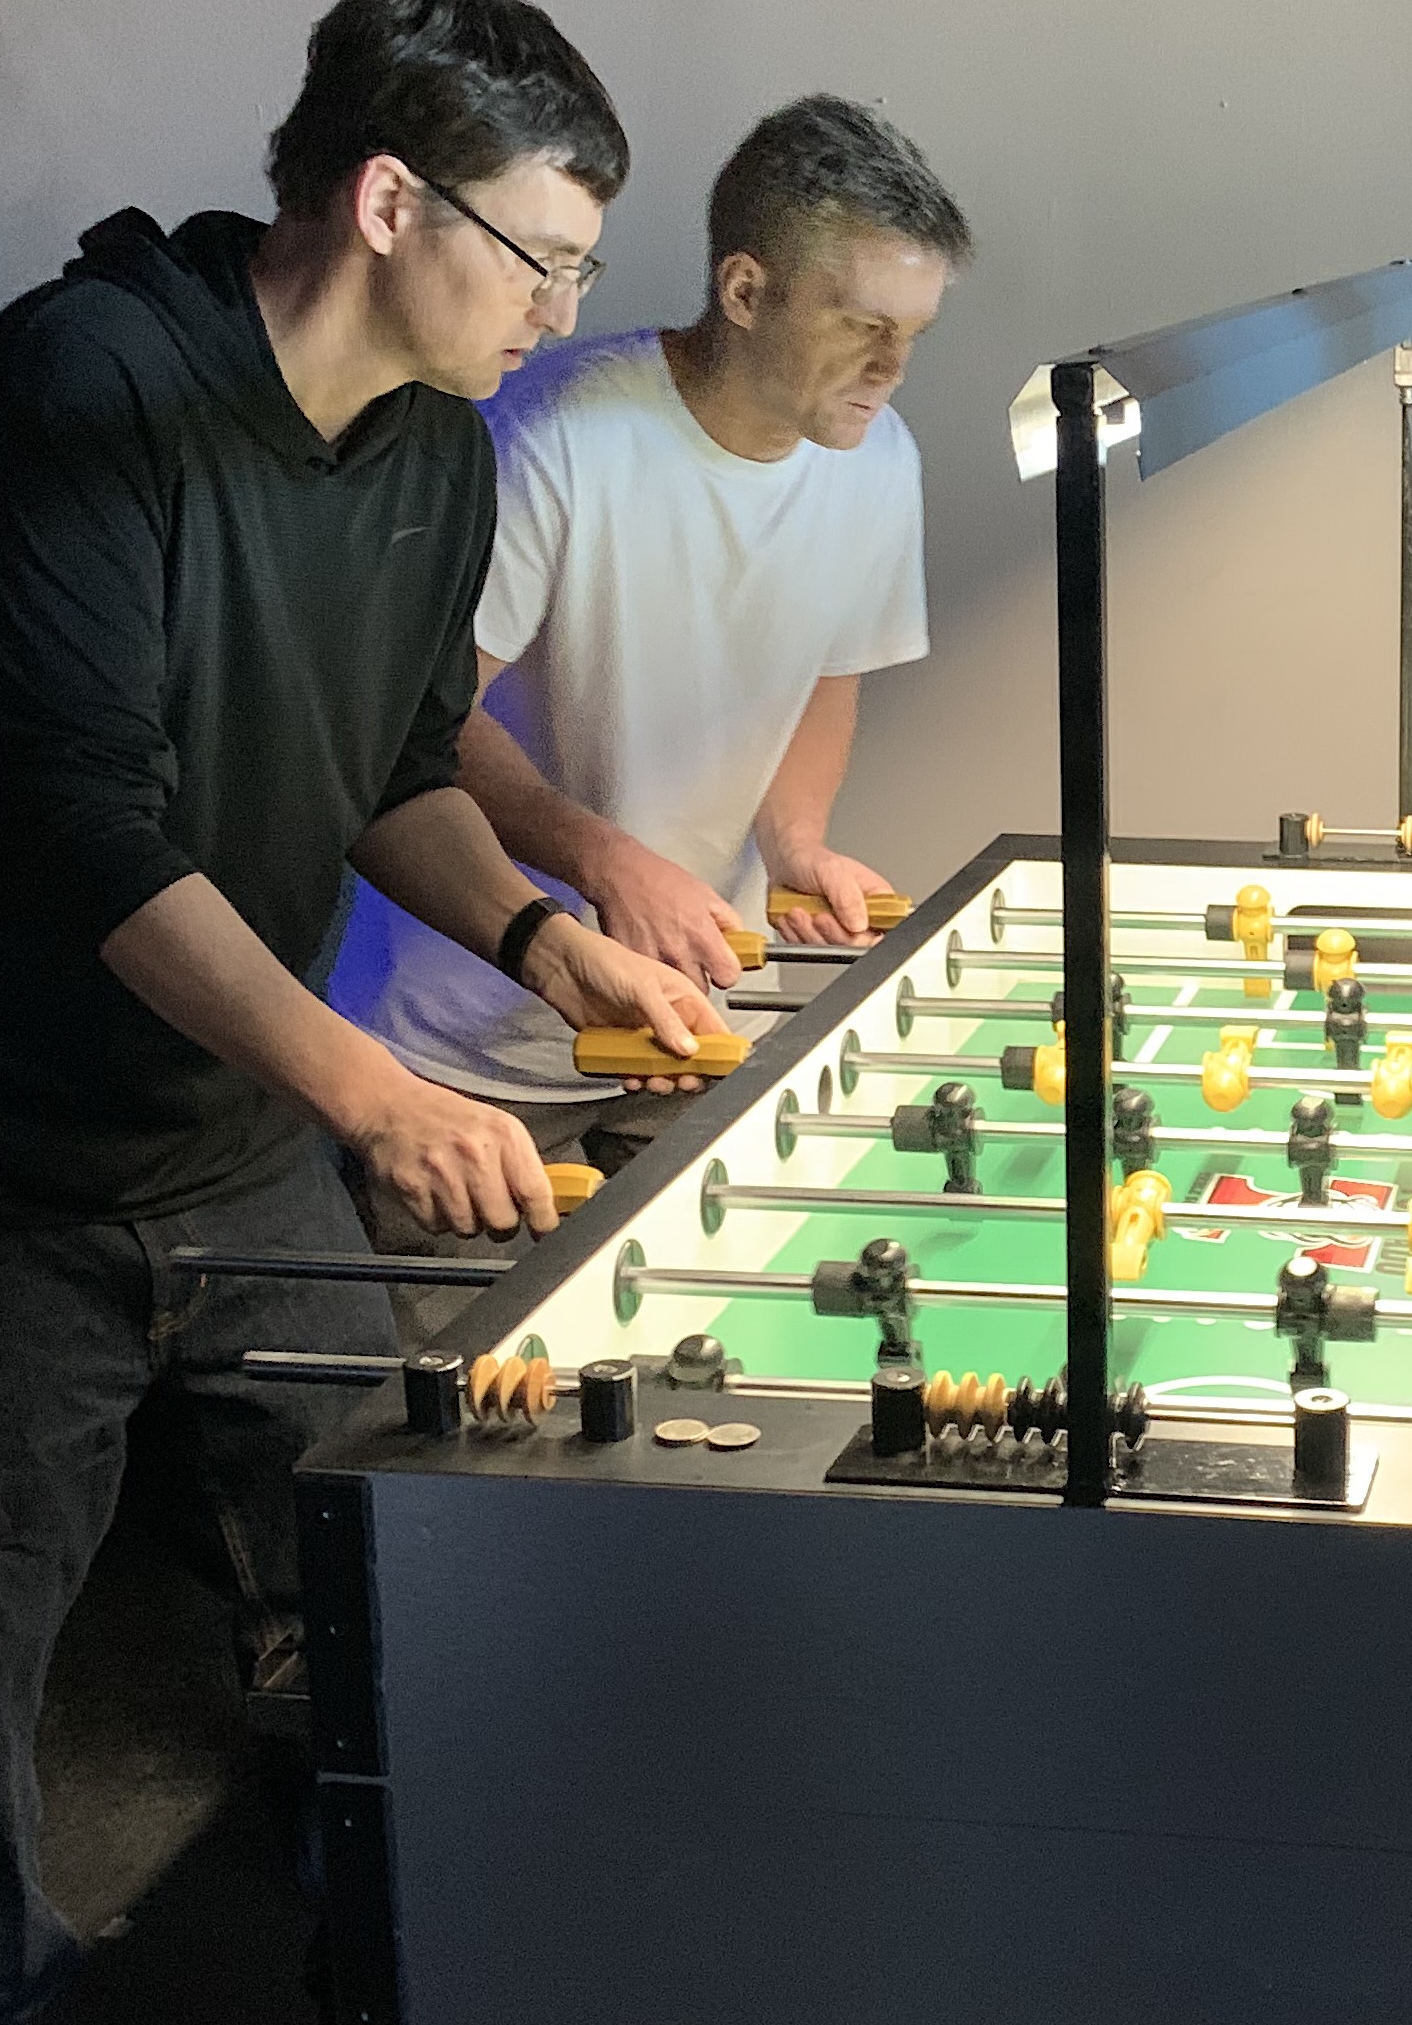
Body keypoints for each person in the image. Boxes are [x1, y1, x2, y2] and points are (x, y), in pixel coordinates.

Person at [0, 0, 720, 2025]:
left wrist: (531, 939)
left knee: (365, 1519)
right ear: (393, 202)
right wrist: (374, 1084)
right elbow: (94, 836)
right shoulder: (81, 390)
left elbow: (392, 767)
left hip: (228, 1110)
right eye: (547, 261)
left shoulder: (423, 449)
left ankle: (378, 1922)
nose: (564, 310)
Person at [331, 95, 965, 1205]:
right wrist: (608, 859)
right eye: (864, 323)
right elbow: (417, 727)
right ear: (746, 291)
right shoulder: (552, 434)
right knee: (463, 1379)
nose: (893, 366)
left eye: (914, 331)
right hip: (467, 1042)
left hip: (694, 1027)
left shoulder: (880, 458)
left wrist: (798, 839)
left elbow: (827, 679)